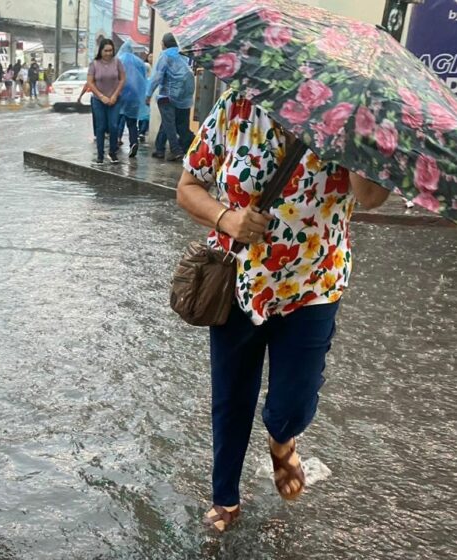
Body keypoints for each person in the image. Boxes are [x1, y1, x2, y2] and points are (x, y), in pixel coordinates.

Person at [176, 90, 390, 532]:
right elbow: (188, 187)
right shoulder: (237, 107)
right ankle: (226, 497)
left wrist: (359, 136)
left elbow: (369, 197)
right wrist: (226, 219)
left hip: (314, 286)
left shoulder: (351, 117)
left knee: (293, 398)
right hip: (240, 282)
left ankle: (281, 438)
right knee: (231, 397)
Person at [146, 33, 195, 161]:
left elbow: (157, 76)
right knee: (174, 123)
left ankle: (176, 150)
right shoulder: (183, 54)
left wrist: (148, 94)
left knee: (170, 124)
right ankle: (159, 149)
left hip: (167, 95)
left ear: (164, 43)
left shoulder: (166, 55)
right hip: (185, 96)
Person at [86, 38, 125, 164]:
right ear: (101, 51)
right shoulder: (94, 64)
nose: (108, 53)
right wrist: (101, 96)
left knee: (113, 126)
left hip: (115, 100)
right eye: (106, 50)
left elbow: (122, 79)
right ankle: (100, 154)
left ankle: (112, 152)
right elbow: (90, 82)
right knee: (101, 127)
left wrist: (115, 95)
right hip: (98, 100)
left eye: (111, 50)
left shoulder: (117, 63)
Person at [115, 40, 149, 158]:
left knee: (117, 119)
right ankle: (134, 142)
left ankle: (116, 140)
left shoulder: (118, 60)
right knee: (132, 122)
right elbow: (144, 80)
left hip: (120, 94)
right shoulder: (140, 63)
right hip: (134, 96)